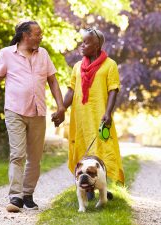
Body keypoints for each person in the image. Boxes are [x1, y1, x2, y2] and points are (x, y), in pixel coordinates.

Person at [0, 20, 65, 212]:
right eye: (37, 34)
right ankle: (15, 196)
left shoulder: (43, 54)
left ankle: (27, 194)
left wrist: (61, 106)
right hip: (14, 111)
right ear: (25, 36)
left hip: (38, 112)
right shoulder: (6, 54)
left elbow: (53, 82)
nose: (41, 37)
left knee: (35, 157)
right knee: (18, 154)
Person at [54, 28, 124, 199]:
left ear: (97, 44)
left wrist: (108, 112)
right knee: (82, 149)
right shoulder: (78, 67)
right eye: (82, 41)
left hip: (100, 115)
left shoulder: (110, 65)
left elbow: (113, 90)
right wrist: (61, 109)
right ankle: (87, 187)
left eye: (86, 42)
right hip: (80, 117)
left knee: (102, 150)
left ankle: (100, 186)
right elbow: (71, 90)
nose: (82, 45)